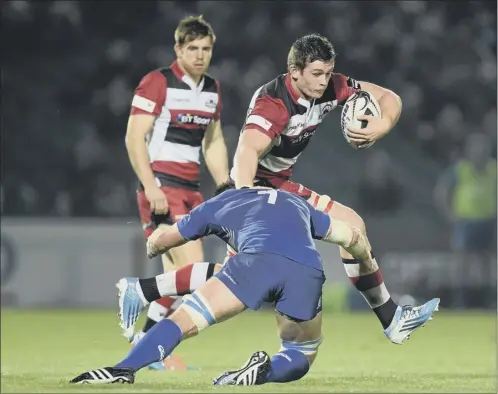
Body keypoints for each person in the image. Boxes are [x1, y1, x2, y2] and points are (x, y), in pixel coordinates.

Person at [70, 188, 439, 385]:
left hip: (253, 264)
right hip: (305, 270)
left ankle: (123, 369)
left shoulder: (221, 204)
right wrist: (367, 259)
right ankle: (263, 373)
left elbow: (166, 241)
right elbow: (350, 236)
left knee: (185, 319)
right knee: (303, 349)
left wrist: (154, 243)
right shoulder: (297, 203)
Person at [226, 32, 409, 341]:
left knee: (353, 226)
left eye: (327, 72)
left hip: (281, 187)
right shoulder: (274, 103)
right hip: (258, 193)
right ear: (294, 72)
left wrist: (380, 126)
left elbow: (389, 97)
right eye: (316, 74)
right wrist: (247, 203)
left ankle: (391, 319)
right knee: (234, 291)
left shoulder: (332, 86)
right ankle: (151, 292)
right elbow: (246, 152)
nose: (324, 81)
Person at [125, 15, 229, 368]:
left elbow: (213, 141)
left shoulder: (212, 88)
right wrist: (151, 185)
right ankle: (136, 293)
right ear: (178, 49)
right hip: (163, 187)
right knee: (196, 271)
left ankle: (145, 342)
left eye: (206, 49)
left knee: (178, 280)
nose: (200, 55)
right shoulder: (158, 82)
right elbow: (134, 137)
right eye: (193, 49)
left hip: (191, 191)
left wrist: (226, 185)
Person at [434, 133, 497, 308]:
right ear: (469, 150)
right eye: (476, 148)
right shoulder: (460, 169)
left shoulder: (494, 169)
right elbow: (441, 191)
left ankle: (488, 300)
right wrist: (449, 214)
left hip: (489, 221)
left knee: (488, 264)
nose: (480, 152)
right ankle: (460, 300)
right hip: (465, 222)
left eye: (483, 149)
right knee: (462, 263)